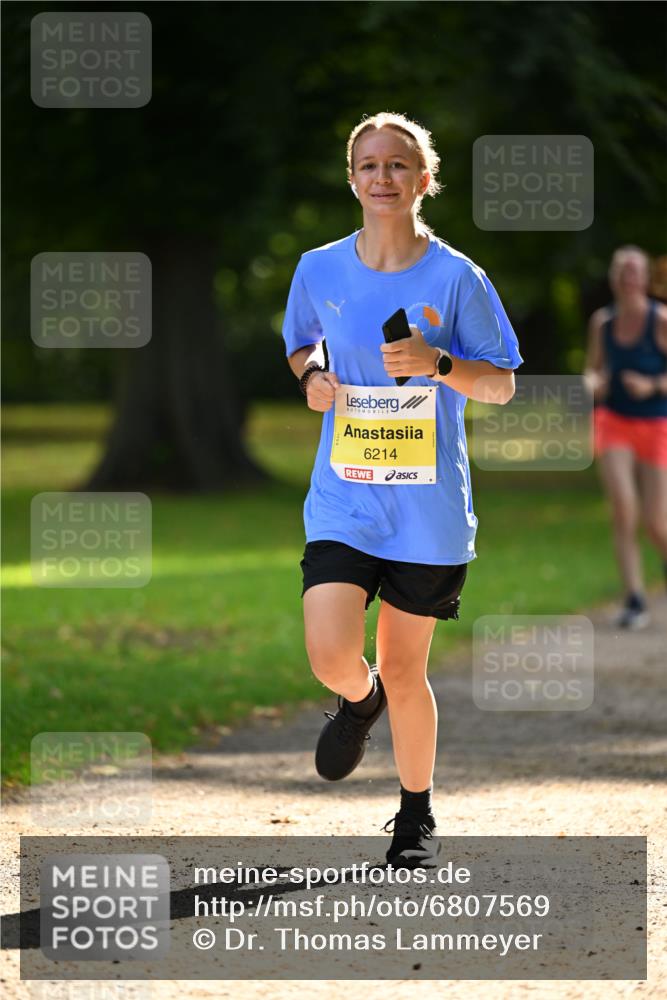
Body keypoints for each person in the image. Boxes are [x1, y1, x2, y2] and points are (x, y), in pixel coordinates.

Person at [281, 111, 523, 868]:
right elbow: (298, 344)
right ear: (351, 179)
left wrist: (438, 364)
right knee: (329, 652)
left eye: (397, 165)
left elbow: (503, 384)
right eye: (368, 165)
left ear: (423, 180)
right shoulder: (318, 268)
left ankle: (414, 817)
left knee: (410, 669)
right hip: (345, 499)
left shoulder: (455, 276)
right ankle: (359, 698)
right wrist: (313, 378)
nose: (381, 177)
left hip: (426, 511)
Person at [584, 246, 667, 629]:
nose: (627, 277)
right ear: (614, 278)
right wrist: (594, 383)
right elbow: (592, 370)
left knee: (656, 521)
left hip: (655, 425)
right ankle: (634, 598)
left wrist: (651, 384)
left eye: (633, 271)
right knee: (624, 507)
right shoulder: (603, 323)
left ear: (645, 277)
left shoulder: (660, 320)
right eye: (621, 271)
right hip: (613, 420)